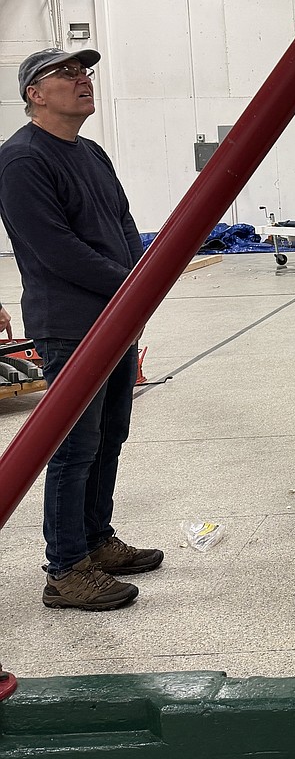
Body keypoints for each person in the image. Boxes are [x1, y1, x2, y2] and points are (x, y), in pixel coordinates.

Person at [0, 48, 162, 611]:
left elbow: (122, 220)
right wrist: (132, 284)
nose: (82, 79)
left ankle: (96, 540)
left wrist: (140, 274)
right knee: (74, 448)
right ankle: (66, 569)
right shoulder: (21, 160)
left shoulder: (90, 152)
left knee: (110, 435)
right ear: (34, 94)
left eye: (85, 71)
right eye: (66, 73)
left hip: (116, 316)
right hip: (71, 325)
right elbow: (54, 249)